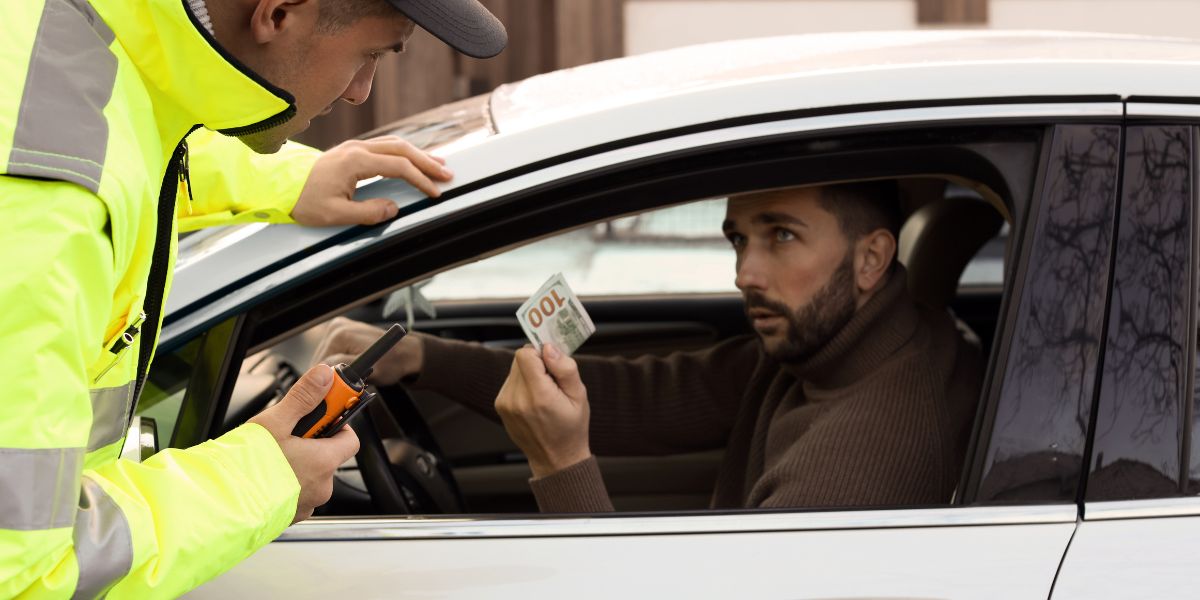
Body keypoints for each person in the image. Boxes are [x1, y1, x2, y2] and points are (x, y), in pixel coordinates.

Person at [0, 0, 506, 597]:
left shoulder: (65, 42)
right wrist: (264, 476)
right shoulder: (47, 211)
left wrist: (286, 180)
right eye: (370, 55)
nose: (360, 94)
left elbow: (129, 133)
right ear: (279, 12)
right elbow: (23, 569)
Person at [316, 181, 983, 513]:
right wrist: (421, 357)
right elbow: (655, 396)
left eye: (780, 236)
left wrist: (560, 462)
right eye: (738, 239)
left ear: (872, 259)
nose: (745, 274)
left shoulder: (865, 454)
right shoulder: (829, 346)